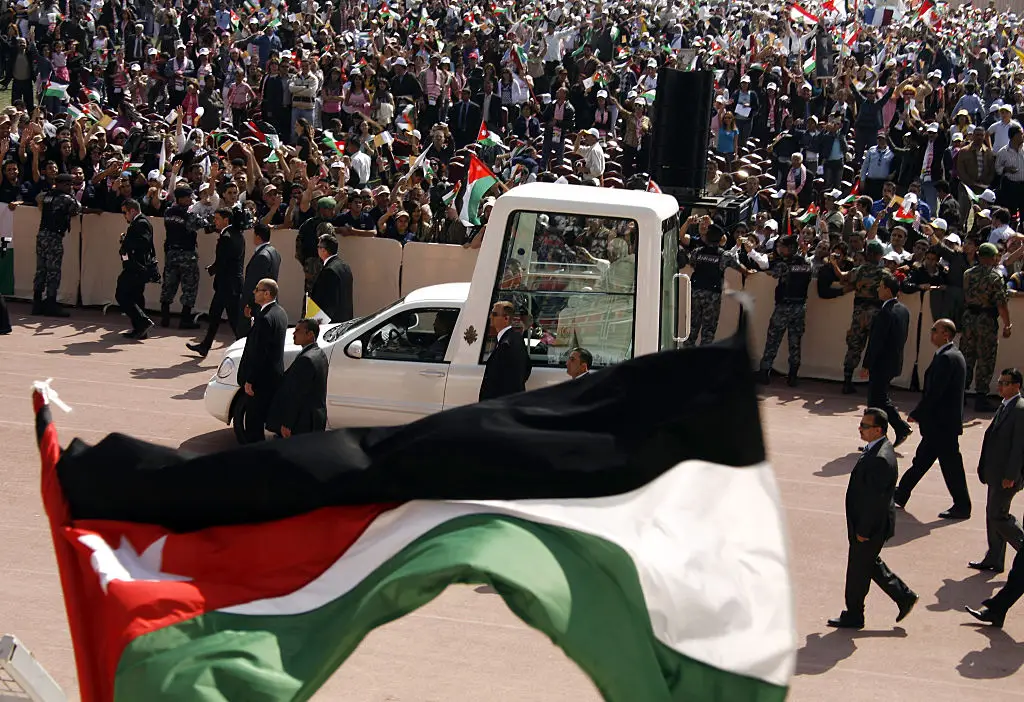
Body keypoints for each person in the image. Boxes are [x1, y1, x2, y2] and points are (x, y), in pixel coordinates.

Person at [827, 408, 918, 629]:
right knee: (868, 563)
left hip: (870, 526)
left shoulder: (880, 459)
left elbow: (875, 501)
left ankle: (854, 614)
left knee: (858, 570)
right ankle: (904, 596)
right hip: (870, 523)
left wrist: (864, 530)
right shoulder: (877, 449)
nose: (860, 428)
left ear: (878, 430)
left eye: (865, 426)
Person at [894, 319, 971, 518]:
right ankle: (901, 494)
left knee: (948, 465)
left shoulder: (947, 358)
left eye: (935, 330)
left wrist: (918, 413)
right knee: (924, 460)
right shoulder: (951, 355)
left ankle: (962, 505)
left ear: (946, 334)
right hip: (942, 424)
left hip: (941, 425)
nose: (932, 333)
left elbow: (936, 392)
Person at [968, 368, 1024, 573]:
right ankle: (994, 558)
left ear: (1016, 385)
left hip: (1006, 476)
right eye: (999, 382)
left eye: (1005, 383)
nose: (1000, 386)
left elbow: (1019, 447)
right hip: (995, 473)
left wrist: (1011, 475)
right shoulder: (1005, 406)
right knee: (992, 514)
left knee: (998, 515)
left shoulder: (1019, 409)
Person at [187, 208, 244, 357]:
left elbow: (223, 261)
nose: (215, 221)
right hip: (230, 283)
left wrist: (212, 269)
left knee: (233, 319)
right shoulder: (237, 234)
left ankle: (246, 348)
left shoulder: (226, 236)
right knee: (215, 314)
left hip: (227, 284)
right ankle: (205, 346)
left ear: (226, 220)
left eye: (217, 219)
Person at [235, 278, 288, 443]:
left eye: (257, 289)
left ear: (267, 293)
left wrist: (250, 380)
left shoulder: (265, 319)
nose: (254, 292)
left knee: (254, 423)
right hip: (273, 376)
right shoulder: (279, 312)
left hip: (261, 380)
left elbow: (260, 353)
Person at [862, 275, 912, 445]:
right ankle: (888, 434)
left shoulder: (884, 313)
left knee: (876, 401)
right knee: (880, 399)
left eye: (881, 286)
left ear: (888, 290)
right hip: (894, 361)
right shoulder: (903, 310)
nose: (878, 289)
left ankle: (895, 430)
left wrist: (867, 364)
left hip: (881, 363)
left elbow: (876, 342)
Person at [961, 242, 1012, 411]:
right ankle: (981, 397)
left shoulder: (968, 274)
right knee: (985, 358)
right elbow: (1001, 304)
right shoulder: (994, 277)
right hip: (986, 320)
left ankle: (960, 394)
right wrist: (1007, 324)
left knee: (967, 356)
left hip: (969, 318)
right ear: (992, 258)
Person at [757, 236, 812, 386]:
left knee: (773, 340)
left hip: (784, 306)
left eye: (783, 247)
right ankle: (793, 375)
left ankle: (764, 371)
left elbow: (770, 271)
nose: (780, 249)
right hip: (800, 307)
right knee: (795, 342)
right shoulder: (807, 264)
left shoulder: (783, 265)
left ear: (790, 248)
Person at [832, 240, 886, 393]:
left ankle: (847, 381)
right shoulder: (884, 273)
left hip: (859, 312)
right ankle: (875, 385)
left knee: (854, 346)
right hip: (877, 313)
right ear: (879, 256)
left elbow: (843, 278)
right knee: (876, 348)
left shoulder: (859, 271)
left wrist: (834, 264)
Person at [266, 317, 329, 438]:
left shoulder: (306, 360)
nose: (293, 334)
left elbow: (297, 395)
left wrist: (287, 423)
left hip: (303, 423)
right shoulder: (319, 354)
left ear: (310, 334)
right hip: (314, 420)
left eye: (298, 331)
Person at [33, 173, 81, 317]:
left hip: (42, 235)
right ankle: (51, 303)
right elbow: (77, 209)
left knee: (41, 270)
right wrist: (73, 196)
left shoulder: (48, 196)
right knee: (53, 271)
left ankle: (37, 303)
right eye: (69, 184)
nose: (70, 187)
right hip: (54, 236)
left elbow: (39, 200)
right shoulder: (65, 199)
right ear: (64, 184)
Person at [158, 186, 203, 329]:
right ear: (181, 199)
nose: (191, 200)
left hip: (171, 253)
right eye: (189, 197)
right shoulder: (189, 215)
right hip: (187, 255)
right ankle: (185, 320)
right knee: (189, 286)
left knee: (168, 286)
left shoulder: (168, 212)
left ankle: (165, 318)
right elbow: (204, 225)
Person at [115, 199, 156, 340]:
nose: (124, 216)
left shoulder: (141, 223)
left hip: (136, 266)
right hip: (137, 266)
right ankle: (140, 329)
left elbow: (144, 242)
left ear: (132, 211)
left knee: (122, 295)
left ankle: (143, 322)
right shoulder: (139, 223)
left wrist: (127, 242)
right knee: (136, 296)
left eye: (125, 212)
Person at [479, 300, 531, 401]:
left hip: (500, 406)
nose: (490, 317)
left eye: (494, 314)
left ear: (506, 318)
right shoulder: (516, 338)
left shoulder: (507, 344)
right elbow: (527, 367)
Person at [238, 223, 281, 338]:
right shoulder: (275, 252)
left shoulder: (262, 256)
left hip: (259, 303)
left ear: (257, 236)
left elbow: (254, 283)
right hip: (269, 300)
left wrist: (249, 304)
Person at [309, 233, 353, 323]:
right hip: (346, 320)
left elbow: (329, 302)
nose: (317, 249)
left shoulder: (329, 271)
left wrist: (319, 324)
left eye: (318, 247)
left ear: (324, 250)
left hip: (332, 324)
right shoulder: (345, 267)